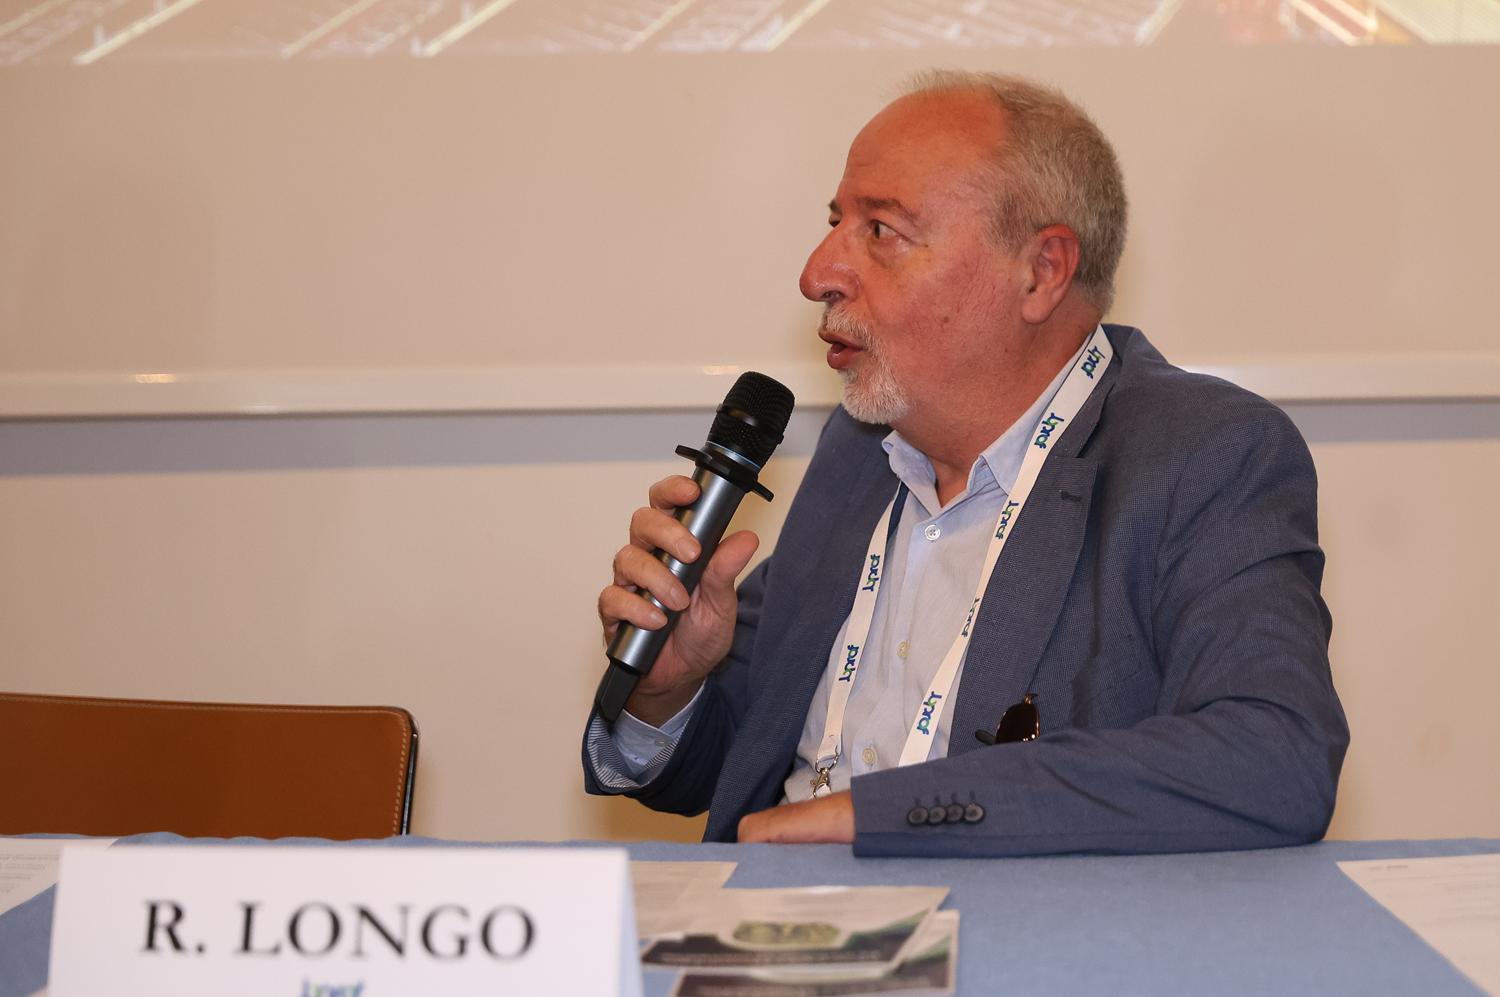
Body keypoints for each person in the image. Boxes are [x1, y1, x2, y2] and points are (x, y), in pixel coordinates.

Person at [582, 70, 1348, 857]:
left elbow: (1275, 758)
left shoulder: (1202, 455)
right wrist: (671, 687)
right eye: (836, 222)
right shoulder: (860, 449)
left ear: (1041, 271)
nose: (816, 275)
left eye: (881, 230)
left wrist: (883, 814)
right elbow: (744, 764)